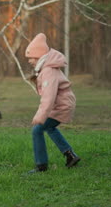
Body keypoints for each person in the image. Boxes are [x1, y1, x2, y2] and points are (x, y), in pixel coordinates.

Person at [25, 33, 80, 173]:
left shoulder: (48, 71)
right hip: (62, 104)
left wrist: (40, 116)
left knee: (37, 129)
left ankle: (41, 165)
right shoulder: (45, 69)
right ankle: (70, 155)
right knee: (49, 128)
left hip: (62, 105)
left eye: (31, 57)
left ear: (39, 56)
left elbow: (48, 98)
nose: (29, 60)